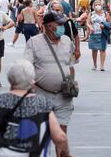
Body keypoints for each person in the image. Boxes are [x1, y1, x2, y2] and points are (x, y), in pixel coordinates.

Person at [0, 59, 70, 157]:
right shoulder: (42, 104)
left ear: (10, 79)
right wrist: (66, 154)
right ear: (32, 81)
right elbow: (60, 137)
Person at [24, 11, 74, 156]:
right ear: (48, 26)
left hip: (63, 96)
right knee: (40, 135)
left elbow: (70, 65)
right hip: (41, 95)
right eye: (58, 24)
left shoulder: (66, 41)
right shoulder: (34, 42)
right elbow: (25, 66)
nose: (62, 26)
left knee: (61, 135)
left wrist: (71, 84)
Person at [87, 0, 111, 71]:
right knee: (94, 50)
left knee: (102, 49)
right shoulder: (91, 14)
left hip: (102, 34)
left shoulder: (105, 13)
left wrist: (104, 25)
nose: (97, 6)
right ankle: (94, 64)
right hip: (94, 33)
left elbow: (109, 23)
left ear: (101, 5)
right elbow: (88, 22)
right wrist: (90, 27)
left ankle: (102, 65)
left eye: (99, 4)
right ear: (93, 6)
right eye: (96, 4)